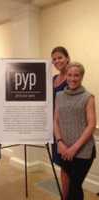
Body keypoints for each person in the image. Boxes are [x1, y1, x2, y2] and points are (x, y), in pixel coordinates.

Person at [54, 62, 96, 200]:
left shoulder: (88, 97)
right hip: (64, 148)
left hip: (83, 150)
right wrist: (59, 142)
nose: (72, 78)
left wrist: (74, 148)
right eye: (70, 75)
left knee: (74, 186)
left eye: (76, 75)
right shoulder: (59, 95)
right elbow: (56, 120)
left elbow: (91, 125)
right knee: (70, 186)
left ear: (82, 77)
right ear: (66, 76)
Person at [51, 46, 70, 200]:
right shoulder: (53, 79)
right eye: (54, 59)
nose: (57, 61)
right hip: (54, 128)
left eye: (60, 57)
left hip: (68, 128)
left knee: (68, 167)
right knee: (63, 167)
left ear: (67, 58)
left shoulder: (72, 77)